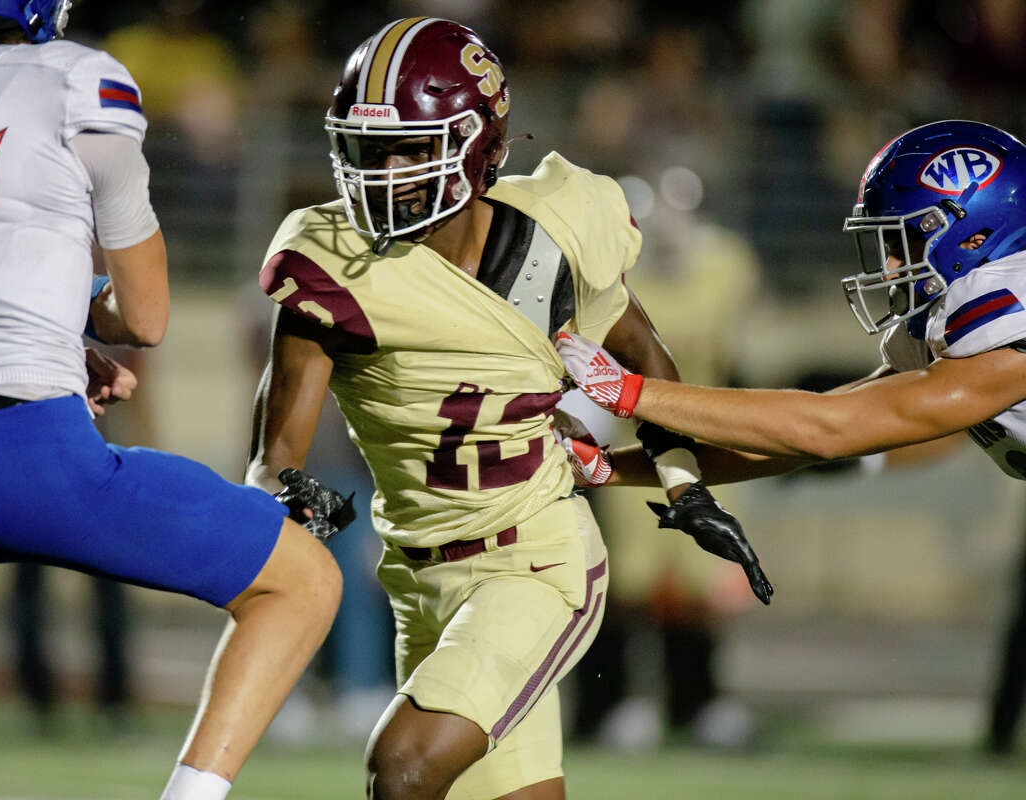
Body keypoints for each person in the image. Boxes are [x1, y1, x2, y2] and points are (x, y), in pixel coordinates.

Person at [0, 3, 342, 799]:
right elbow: (146, 317)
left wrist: (55, 341)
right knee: (303, 579)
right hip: (32, 448)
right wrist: (76, 319)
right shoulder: (75, 79)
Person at [246, 17, 770, 800]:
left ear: (478, 145)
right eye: (367, 148)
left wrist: (682, 483)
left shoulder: (551, 239)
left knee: (404, 766)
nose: (382, 171)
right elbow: (273, 457)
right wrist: (290, 496)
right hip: (419, 577)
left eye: (409, 148)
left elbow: (647, 363)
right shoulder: (330, 266)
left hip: (537, 562)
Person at [553, 120, 1026, 754]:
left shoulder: (1008, 320)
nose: (889, 266)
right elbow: (807, 432)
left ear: (971, 232)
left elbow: (828, 430)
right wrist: (618, 467)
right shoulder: (965, 315)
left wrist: (631, 390)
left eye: (904, 241)